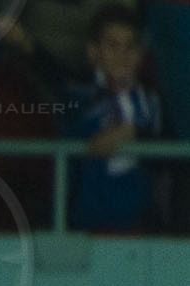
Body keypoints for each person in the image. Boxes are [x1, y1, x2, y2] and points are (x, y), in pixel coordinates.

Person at [67, 6, 164, 232]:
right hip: (86, 227)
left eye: (131, 46)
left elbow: (167, 152)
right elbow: (78, 136)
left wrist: (136, 135)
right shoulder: (77, 96)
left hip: (139, 227)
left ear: (141, 53)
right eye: (112, 45)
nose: (123, 55)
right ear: (93, 52)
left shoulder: (153, 101)